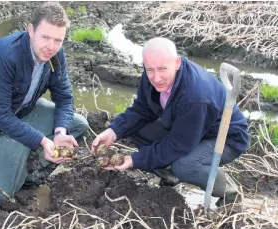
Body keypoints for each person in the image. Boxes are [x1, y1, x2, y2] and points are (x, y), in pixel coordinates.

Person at [0, 2, 89, 202]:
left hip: (20, 109)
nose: (51, 46)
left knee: (77, 125)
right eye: (45, 37)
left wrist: (60, 133)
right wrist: (42, 141)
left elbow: (64, 97)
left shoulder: (56, 54)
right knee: (4, 195)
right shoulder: (4, 55)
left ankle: (28, 172)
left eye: (58, 40)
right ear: (31, 30)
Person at [92, 37, 249, 206]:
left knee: (184, 166)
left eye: (162, 69)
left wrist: (134, 159)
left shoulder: (196, 96)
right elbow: (141, 109)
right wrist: (114, 131)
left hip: (224, 137)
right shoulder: (151, 75)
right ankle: (170, 176)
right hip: (189, 128)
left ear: (177, 63)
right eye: (150, 69)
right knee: (136, 128)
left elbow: (179, 144)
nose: (156, 77)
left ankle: (230, 193)